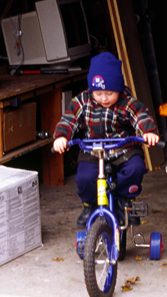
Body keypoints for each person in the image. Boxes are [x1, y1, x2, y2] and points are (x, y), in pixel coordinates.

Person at [53, 51, 160, 227]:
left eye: (110, 93)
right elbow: (69, 118)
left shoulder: (126, 102)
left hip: (123, 149)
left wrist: (148, 132)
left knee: (136, 168)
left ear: (118, 89)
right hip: (93, 150)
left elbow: (140, 115)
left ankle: (125, 200)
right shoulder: (83, 101)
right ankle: (89, 205)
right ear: (91, 90)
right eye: (98, 93)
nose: (104, 98)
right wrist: (62, 136)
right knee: (84, 178)